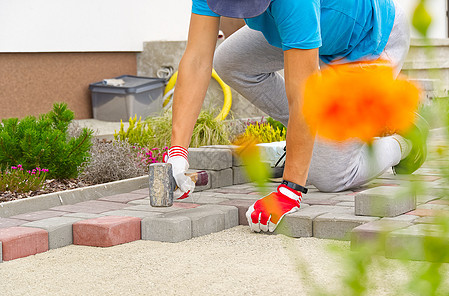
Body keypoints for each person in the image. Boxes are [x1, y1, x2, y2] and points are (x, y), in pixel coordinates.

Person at [166, 0, 426, 233]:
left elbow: (303, 96)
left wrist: (290, 190)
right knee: (231, 61)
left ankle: (405, 139)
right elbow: (198, 59)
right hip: (310, 27)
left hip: (365, 41)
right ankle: (314, 137)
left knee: (330, 175)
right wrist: (177, 151)